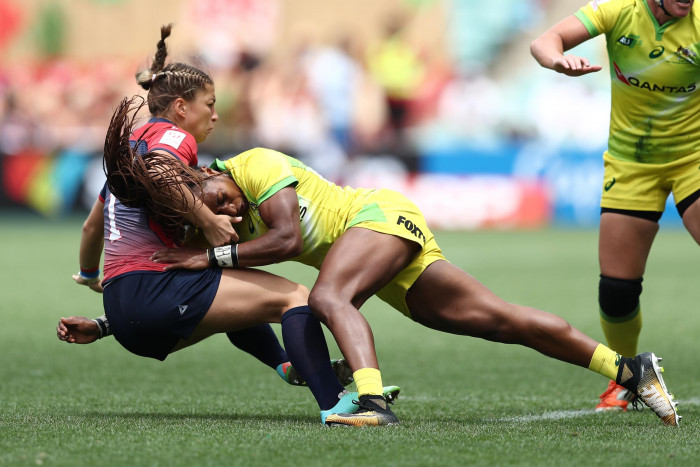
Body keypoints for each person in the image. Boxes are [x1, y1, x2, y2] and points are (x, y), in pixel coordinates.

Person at [144, 146, 680, 427]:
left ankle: (372, 402)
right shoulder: (222, 223)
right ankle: (629, 370)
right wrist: (111, 320)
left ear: (209, 174)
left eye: (220, 198)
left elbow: (285, 238)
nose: (228, 211)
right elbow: (230, 306)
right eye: (215, 214)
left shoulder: (255, 165)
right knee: (500, 321)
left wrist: (211, 253)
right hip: (371, 248)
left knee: (328, 297)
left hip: (377, 215)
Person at [61, 23, 399, 426]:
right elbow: (163, 170)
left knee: (234, 281)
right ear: (182, 108)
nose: (216, 114)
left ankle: (288, 365)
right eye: (210, 103)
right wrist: (209, 220)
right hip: (153, 297)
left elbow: (90, 230)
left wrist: (88, 276)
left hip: (119, 311)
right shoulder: (173, 138)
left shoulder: (127, 159)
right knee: (296, 298)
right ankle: (333, 403)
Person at [530, 0, 700, 412]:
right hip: (631, 164)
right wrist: (557, 61)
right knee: (617, 291)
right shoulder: (618, 10)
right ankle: (626, 379)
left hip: (694, 158)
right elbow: (543, 41)